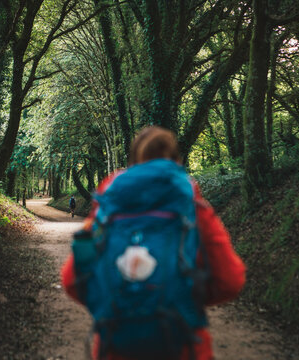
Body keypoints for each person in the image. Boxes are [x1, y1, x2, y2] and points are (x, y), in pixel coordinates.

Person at [61, 126, 246, 360]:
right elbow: (230, 281)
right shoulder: (193, 207)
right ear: (177, 160)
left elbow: (72, 280)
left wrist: (116, 304)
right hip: (184, 347)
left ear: (133, 162)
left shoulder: (109, 205)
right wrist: (183, 297)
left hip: (115, 347)